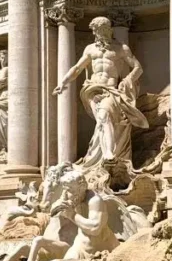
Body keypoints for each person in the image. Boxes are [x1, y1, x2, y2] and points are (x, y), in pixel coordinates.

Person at [53, 16, 149, 170]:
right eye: (97, 31)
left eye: (103, 30)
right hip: (92, 89)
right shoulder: (90, 49)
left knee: (104, 117)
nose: (99, 34)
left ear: (109, 30)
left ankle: (106, 154)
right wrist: (63, 83)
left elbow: (138, 68)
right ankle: (107, 153)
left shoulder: (121, 48)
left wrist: (127, 80)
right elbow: (77, 68)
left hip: (110, 89)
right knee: (102, 119)